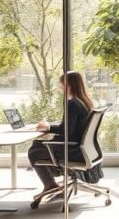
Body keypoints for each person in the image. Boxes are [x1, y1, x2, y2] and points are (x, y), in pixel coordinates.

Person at [27, 71, 103, 199]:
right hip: (84, 150)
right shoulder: (85, 102)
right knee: (37, 144)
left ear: (68, 84)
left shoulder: (72, 104)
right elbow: (70, 126)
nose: (59, 86)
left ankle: (50, 185)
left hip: (73, 151)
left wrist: (49, 127)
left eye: (61, 83)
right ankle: (52, 181)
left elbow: (67, 131)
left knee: (34, 152)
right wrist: (50, 126)